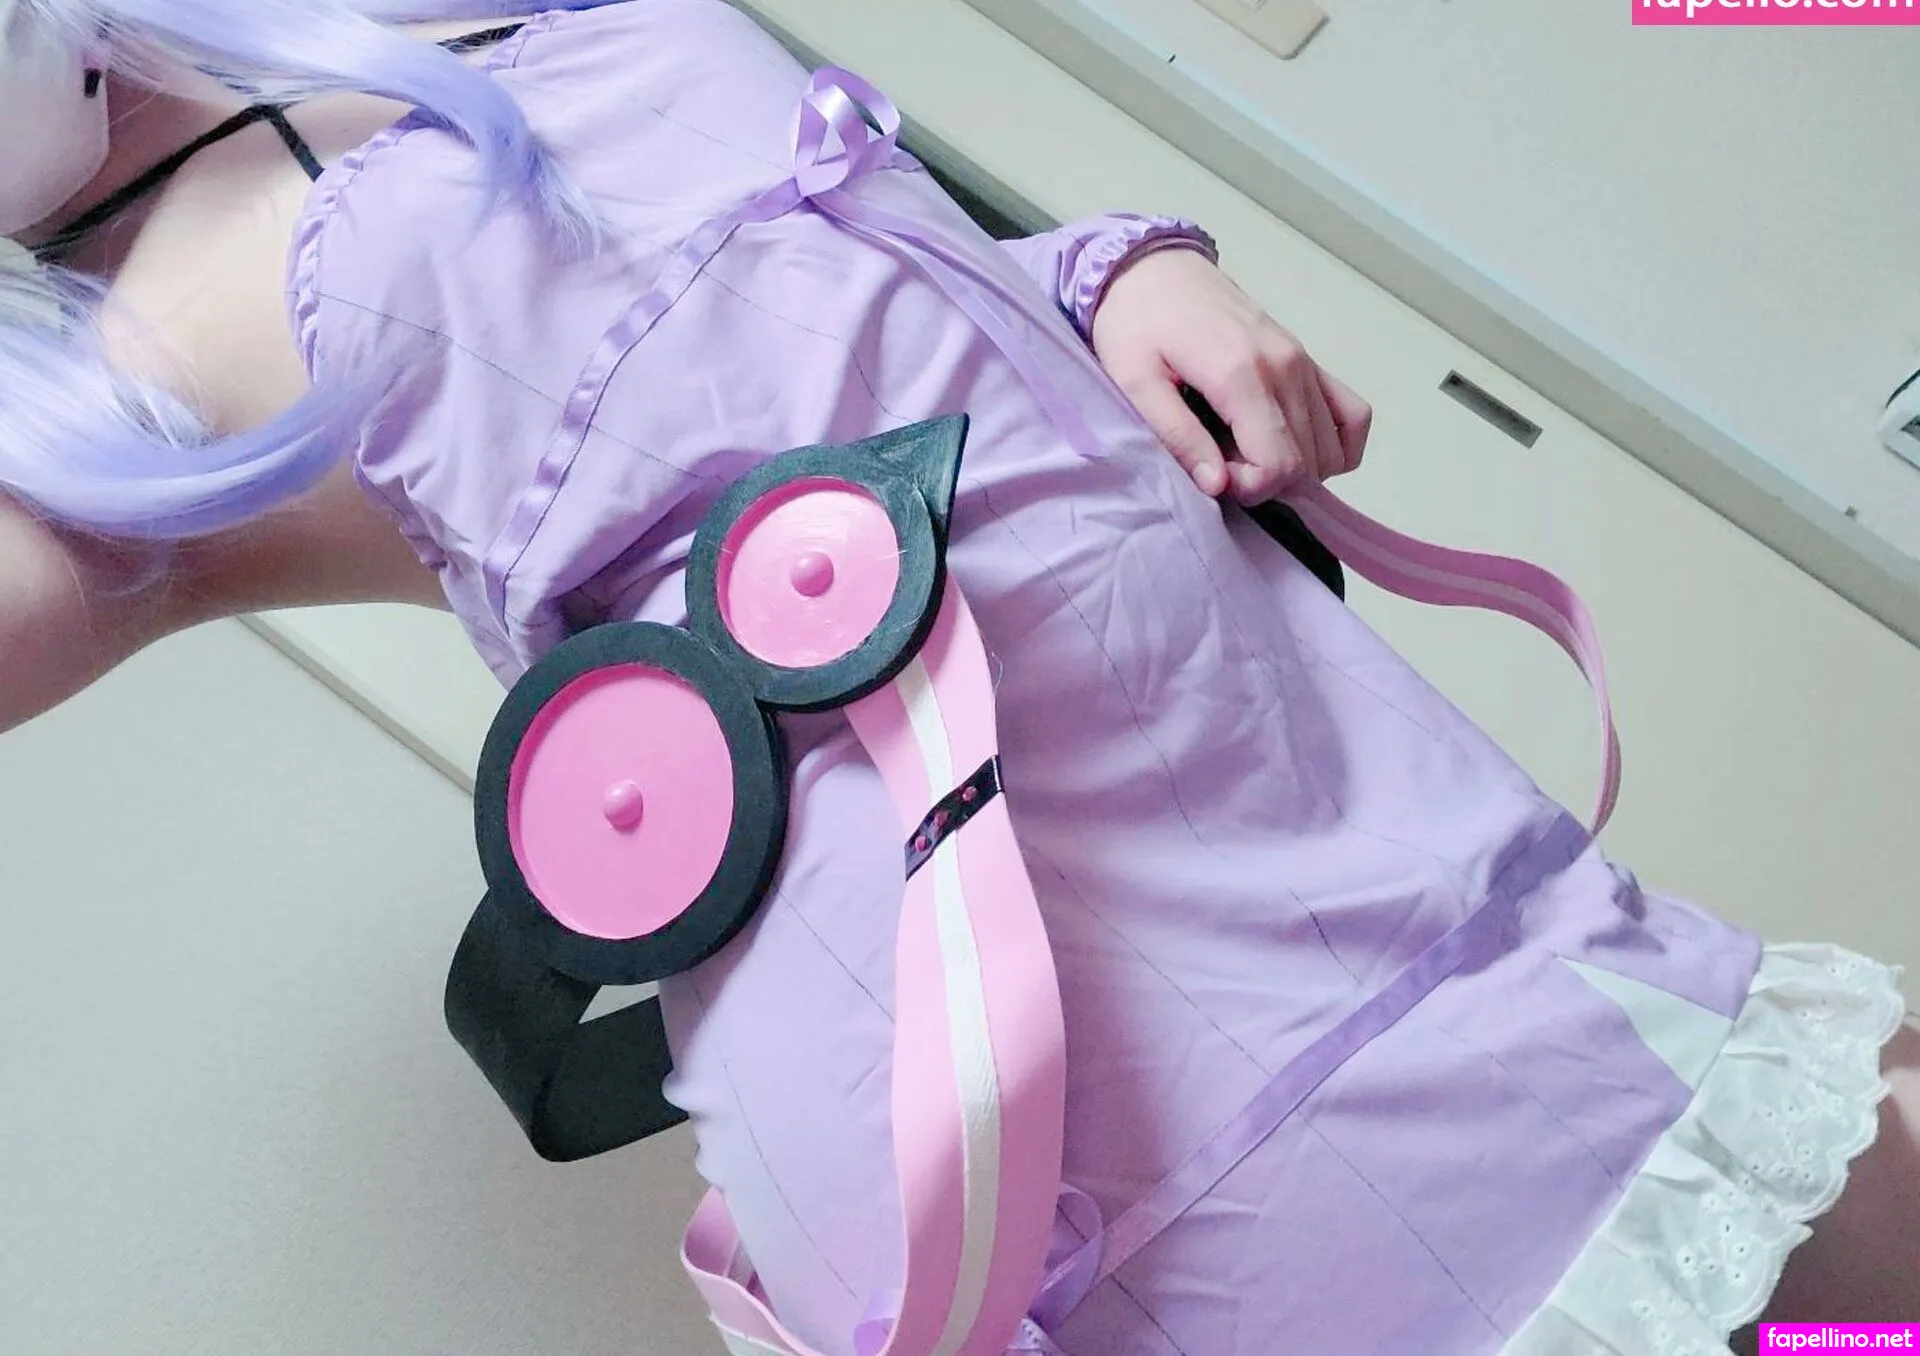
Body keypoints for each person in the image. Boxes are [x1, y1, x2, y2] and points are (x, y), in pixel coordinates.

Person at [0, 2, 1912, 1352]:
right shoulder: (102, 410)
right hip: (1028, 1075)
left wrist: (1116, 272)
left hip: (1334, 819)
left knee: (1844, 1272)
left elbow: (867, 282)